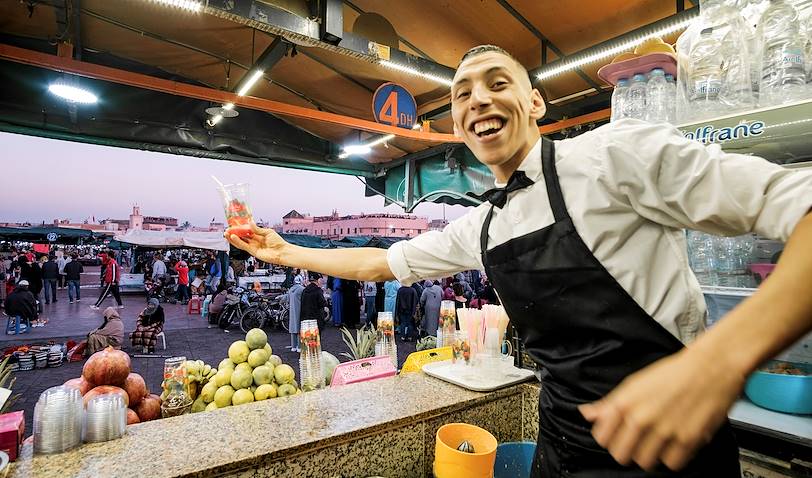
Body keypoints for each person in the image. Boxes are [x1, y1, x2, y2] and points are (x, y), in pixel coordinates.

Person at [226, 45, 812, 476]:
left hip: (674, 455)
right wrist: (283, 249)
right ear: (457, 125)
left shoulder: (616, 153)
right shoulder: (483, 225)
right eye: (461, 94)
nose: (478, 98)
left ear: (534, 100)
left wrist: (718, 362)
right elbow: (382, 264)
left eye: (496, 82)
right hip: (562, 451)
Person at [287, 275, 305, 352]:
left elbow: (287, 298)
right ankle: (299, 347)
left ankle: (293, 346)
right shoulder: (302, 289)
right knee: (299, 328)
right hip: (300, 310)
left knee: (293, 328)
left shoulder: (291, 289)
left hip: (292, 311)